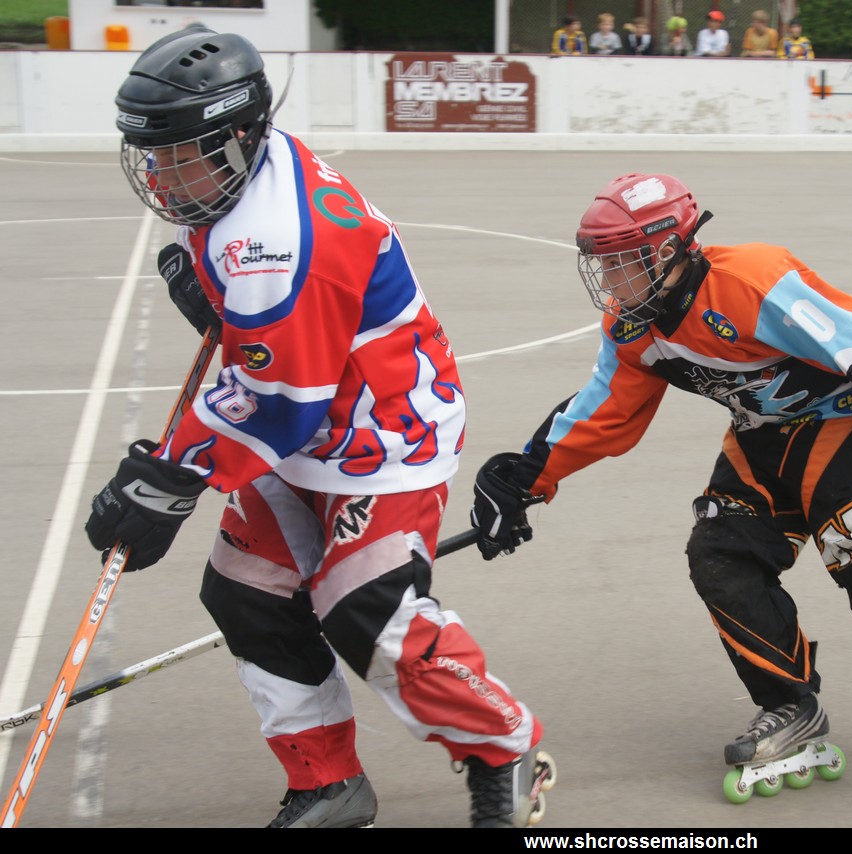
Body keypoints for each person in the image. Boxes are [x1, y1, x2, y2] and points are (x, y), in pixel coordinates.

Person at [468, 172, 852, 825]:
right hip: (761, 440)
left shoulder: (751, 281)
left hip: (844, 425)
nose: (607, 278)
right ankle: (792, 706)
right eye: (601, 263)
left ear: (667, 250)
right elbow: (604, 410)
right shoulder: (634, 327)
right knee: (720, 555)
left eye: (620, 261)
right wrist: (522, 479)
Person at [88, 25, 553, 829]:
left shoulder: (277, 242)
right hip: (310, 425)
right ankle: (328, 783)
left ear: (239, 137)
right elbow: (273, 362)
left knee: (366, 609)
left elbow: (278, 401)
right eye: (152, 156)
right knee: (247, 594)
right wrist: (221, 301)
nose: (160, 175)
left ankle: (503, 747)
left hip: (381, 433)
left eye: (177, 155)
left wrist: (168, 477)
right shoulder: (239, 177)